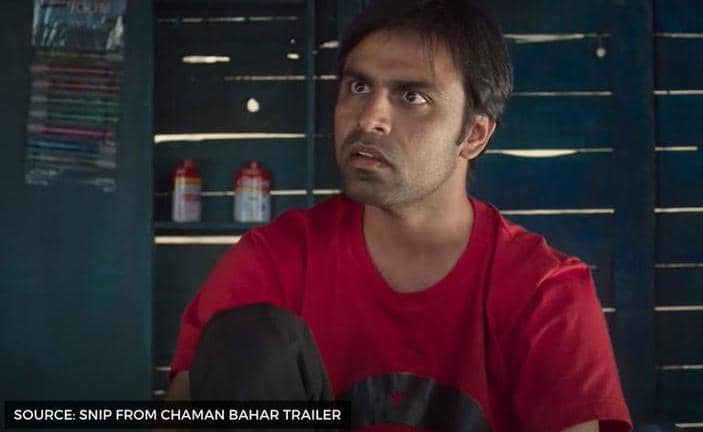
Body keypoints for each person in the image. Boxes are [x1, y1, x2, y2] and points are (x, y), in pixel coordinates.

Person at [165, 1, 633, 431]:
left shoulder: (544, 293)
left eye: (412, 97)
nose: (369, 117)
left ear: (473, 134)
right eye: (358, 86)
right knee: (249, 336)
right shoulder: (275, 260)